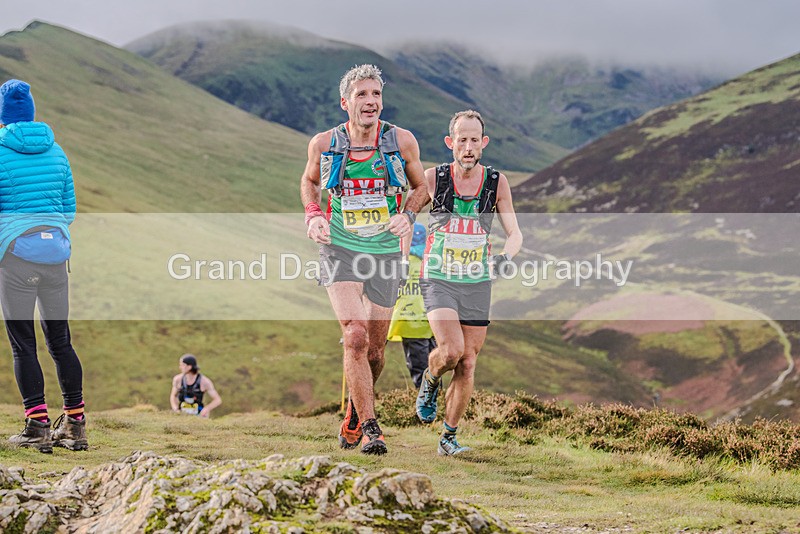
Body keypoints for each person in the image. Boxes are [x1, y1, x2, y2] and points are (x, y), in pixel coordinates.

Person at [301, 64, 428, 455]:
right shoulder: (324, 144)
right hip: (340, 247)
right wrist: (314, 214)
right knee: (353, 335)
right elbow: (309, 181)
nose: (370, 101)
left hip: (386, 250)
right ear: (345, 103)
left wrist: (406, 215)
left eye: (376, 94)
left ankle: (357, 410)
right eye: (362, 95)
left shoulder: (401, 141)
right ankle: (372, 427)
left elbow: (421, 186)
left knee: (375, 350)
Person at [415, 110, 522, 456]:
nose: (468, 146)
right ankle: (429, 381)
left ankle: (448, 437)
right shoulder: (433, 178)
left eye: (475, 139)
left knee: (468, 362)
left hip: (477, 280)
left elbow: (514, 231)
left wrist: (507, 256)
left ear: (484, 143)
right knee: (451, 351)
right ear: (450, 143)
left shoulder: (496, 183)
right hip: (438, 277)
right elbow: (404, 213)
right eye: (462, 139)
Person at [0, 79, 86, 453]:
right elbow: (68, 209)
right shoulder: (58, 151)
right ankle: (75, 426)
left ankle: (37, 426)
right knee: (61, 343)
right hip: (56, 256)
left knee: (24, 347)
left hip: (17, 257)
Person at [387, 223, 436, 389]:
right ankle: (436, 402)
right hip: (433, 322)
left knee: (419, 368)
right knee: (434, 366)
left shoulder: (400, 263)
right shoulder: (432, 261)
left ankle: (427, 406)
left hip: (409, 322)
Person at [170, 354, 222, 418]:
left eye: (182, 365)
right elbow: (173, 396)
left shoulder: (204, 382)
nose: (180, 367)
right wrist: (175, 409)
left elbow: (217, 400)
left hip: (199, 416)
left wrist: (206, 409)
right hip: (182, 416)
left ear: (189, 367)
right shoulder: (177, 379)